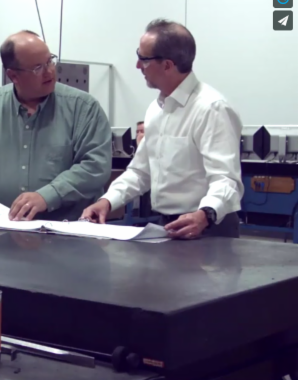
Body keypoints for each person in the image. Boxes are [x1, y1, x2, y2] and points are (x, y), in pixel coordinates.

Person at [81, 19, 243, 239]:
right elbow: (140, 172)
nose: (137, 66)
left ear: (167, 65)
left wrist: (204, 215)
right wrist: (107, 201)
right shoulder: (156, 110)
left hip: (208, 227)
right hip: (168, 225)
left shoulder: (211, 108)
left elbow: (226, 180)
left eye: (143, 59)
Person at [0, 30, 112, 221]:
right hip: (3, 232)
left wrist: (48, 195)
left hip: (68, 232)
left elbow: (95, 166)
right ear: (14, 76)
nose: (49, 71)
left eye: (49, 61)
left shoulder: (84, 108)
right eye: (38, 68)